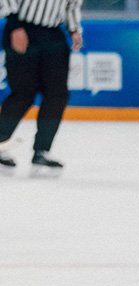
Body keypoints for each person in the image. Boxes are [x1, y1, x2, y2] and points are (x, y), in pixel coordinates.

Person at [0, 0, 83, 173]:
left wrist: (74, 29)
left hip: (53, 33)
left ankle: (42, 150)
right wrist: (15, 26)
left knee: (57, 94)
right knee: (23, 93)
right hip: (22, 27)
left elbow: (72, 5)